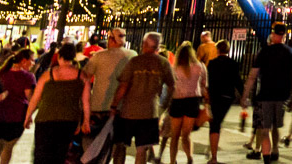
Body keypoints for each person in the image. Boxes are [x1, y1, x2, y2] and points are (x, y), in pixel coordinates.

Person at [240, 23, 292, 163]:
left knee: (265, 129)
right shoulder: (291, 53)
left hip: (265, 95)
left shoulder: (264, 52)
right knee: (276, 126)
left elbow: (252, 76)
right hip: (282, 95)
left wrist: (245, 96)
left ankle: (266, 158)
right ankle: (275, 151)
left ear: (273, 34)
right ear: (284, 35)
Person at [112, 32, 175, 164]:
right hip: (150, 112)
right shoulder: (163, 63)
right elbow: (171, 86)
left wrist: (114, 105)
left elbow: (123, 86)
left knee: (121, 145)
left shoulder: (135, 62)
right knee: (142, 149)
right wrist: (166, 105)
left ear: (145, 44)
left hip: (128, 111)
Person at [25, 41, 90, 164]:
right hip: (69, 119)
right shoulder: (82, 76)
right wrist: (85, 121)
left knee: (41, 155)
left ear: (59, 57)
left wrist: (28, 116)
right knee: (60, 154)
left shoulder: (48, 75)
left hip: (45, 118)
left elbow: (35, 98)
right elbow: (86, 101)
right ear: (73, 58)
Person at [82, 28, 136, 157]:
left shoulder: (99, 56)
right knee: (120, 145)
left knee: (97, 144)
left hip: (99, 106)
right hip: (123, 108)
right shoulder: (132, 55)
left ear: (111, 39)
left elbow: (85, 78)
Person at [167, 42, 208, 164]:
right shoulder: (200, 67)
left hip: (177, 101)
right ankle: (189, 158)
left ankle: (172, 161)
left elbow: (170, 86)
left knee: (174, 136)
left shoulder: (174, 68)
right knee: (186, 134)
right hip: (192, 101)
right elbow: (204, 86)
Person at [0, 49, 34, 164]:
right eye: (32, 60)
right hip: (16, 116)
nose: (33, 63)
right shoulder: (28, 77)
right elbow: (29, 98)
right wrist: (29, 116)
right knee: (8, 147)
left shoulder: (0, 73)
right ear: (24, 61)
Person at [206, 41, 242, 164]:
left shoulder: (212, 64)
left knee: (215, 124)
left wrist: (207, 97)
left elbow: (208, 81)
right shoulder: (233, 64)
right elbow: (238, 81)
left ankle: (214, 156)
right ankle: (213, 152)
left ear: (217, 50)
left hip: (215, 96)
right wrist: (243, 96)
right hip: (227, 96)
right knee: (217, 121)